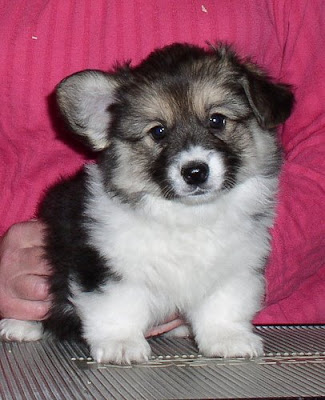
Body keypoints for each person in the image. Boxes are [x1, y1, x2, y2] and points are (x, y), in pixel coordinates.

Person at [0, 0, 324, 332]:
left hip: (280, 327)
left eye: (216, 121)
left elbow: (320, 137)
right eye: (158, 133)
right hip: (37, 322)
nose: (192, 155)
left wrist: (238, 268)